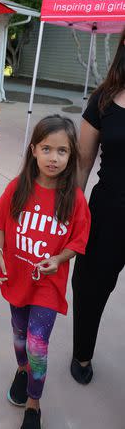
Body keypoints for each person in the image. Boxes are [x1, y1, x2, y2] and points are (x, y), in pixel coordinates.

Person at [0, 115, 91, 429]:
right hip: (17, 277)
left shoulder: (74, 198)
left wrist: (59, 259)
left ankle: (34, 405)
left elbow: (77, 242)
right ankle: (21, 371)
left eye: (62, 151)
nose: (53, 157)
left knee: (36, 344)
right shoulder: (17, 188)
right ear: (33, 150)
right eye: (46, 148)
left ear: (71, 155)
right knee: (19, 334)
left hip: (48, 284)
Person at [70, 28, 125, 385]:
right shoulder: (104, 99)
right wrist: (69, 215)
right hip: (109, 212)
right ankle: (82, 353)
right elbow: (82, 165)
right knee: (90, 286)